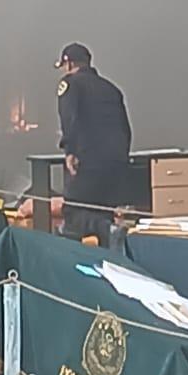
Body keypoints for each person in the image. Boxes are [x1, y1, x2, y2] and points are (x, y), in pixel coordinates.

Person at [55, 43, 131, 243]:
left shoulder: (70, 84)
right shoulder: (112, 89)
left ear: (69, 63)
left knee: (73, 214)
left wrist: (70, 151)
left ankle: (107, 231)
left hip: (87, 161)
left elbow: (69, 118)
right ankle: (110, 237)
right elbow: (125, 128)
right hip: (115, 164)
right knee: (103, 209)